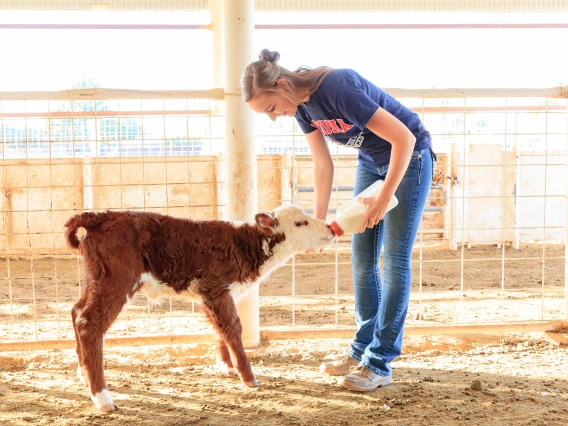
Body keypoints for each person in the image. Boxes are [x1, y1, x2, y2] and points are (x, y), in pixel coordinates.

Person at [241, 49, 435, 392]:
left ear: (282, 84)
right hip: (372, 163)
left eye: (270, 108)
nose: (273, 117)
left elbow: (404, 137)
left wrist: (382, 195)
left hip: (409, 159)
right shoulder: (302, 109)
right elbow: (322, 165)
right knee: (362, 260)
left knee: (394, 259)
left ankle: (379, 362)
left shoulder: (337, 86)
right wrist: (316, 226)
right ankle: (361, 350)